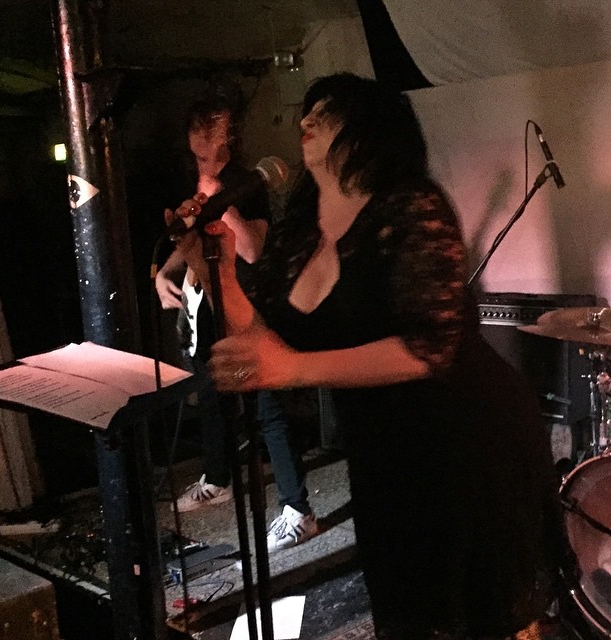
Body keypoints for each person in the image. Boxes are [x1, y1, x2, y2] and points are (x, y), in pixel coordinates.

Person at [172, 73, 564, 639]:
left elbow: (428, 348)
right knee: (408, 612)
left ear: (369, 130)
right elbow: (263, 342)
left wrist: (294, 368)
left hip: (465, 440)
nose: (306, 121)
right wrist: (216, 268)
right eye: (307, 112)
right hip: (384, 449)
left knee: (476, 615)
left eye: (326, 113)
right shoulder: (300, 231)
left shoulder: (411, 206)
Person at [155, 94, 318, 552]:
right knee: (210, 390)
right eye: (201, 127)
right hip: (208, 301)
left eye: (217, 127)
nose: (208, 136)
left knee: (268, 407)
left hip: (248, 304)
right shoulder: (192, 183)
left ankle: (298, 510)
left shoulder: (246, 183)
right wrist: (164, 273)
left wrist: (218, 202)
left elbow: (251, 249)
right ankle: (218, 477)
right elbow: (189, 238)